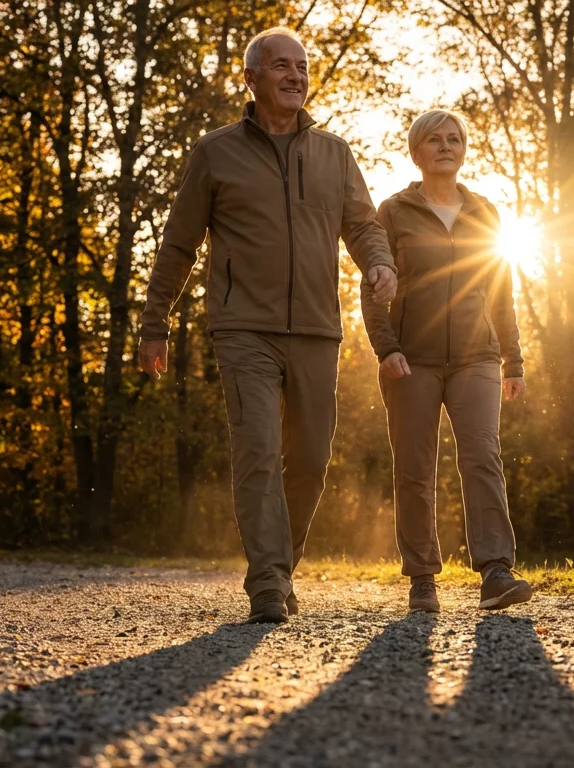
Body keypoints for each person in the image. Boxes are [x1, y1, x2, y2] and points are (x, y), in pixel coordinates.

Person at [137, 27, 397, 624]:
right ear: (251, 79)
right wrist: (157, 322)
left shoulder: (334, 154)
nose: (294, 76)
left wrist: (379, 262)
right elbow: (178, 244)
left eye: (301, 66)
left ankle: (281, 566)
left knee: (309, 457)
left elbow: (361, 225)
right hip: (242, 328)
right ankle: (267, 584)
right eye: (280, 66)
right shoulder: (215, 152)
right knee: (257, 448)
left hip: (316, 328)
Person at [361, 109, 531, 613]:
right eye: (434, 140)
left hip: (477, 357)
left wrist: (513, 360)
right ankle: (422, 578)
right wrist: (386, 348)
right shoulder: (394, 211)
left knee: (482, 456)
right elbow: (372, 289)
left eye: (454, 139)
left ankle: (496, 571)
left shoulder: (486, 212)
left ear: (464, 149)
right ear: (416, 152)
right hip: (412, 359)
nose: (445, 146)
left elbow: (502, 290)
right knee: (415, 466)